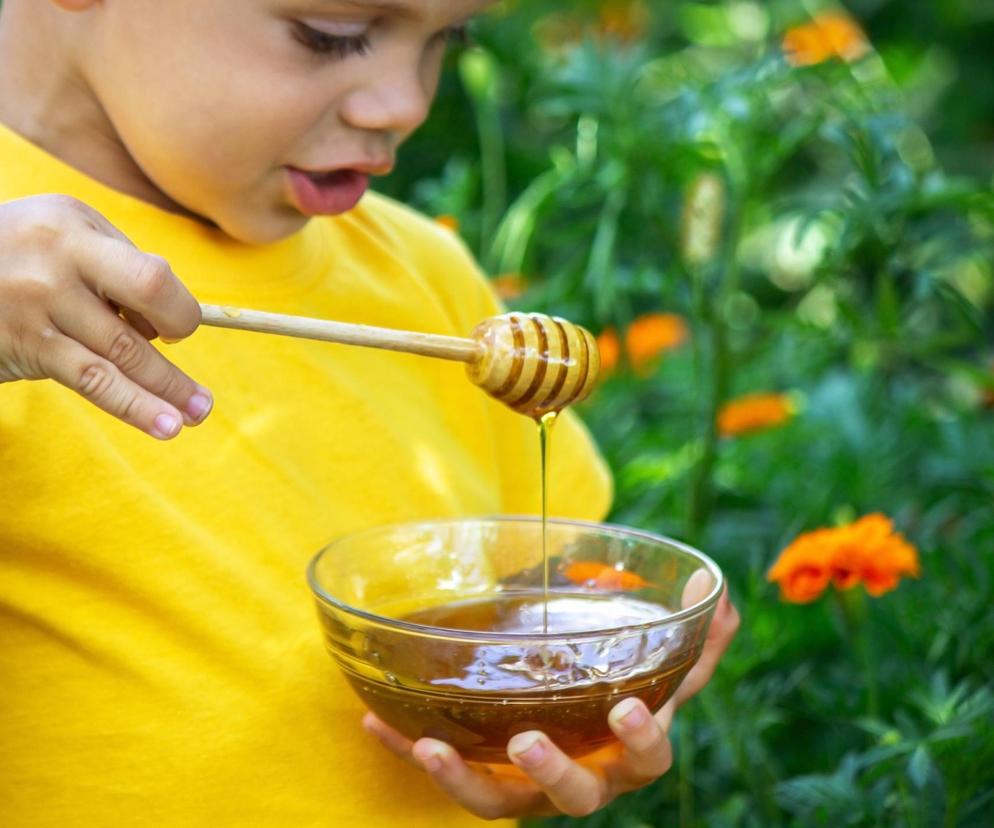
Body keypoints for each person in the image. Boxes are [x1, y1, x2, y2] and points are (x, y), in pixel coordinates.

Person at [0, 0, 740, 824]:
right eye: (332, 34)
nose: (405, 104)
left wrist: (577, 706)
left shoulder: (427, 280)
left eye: (446, 39)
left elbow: (546, 594)